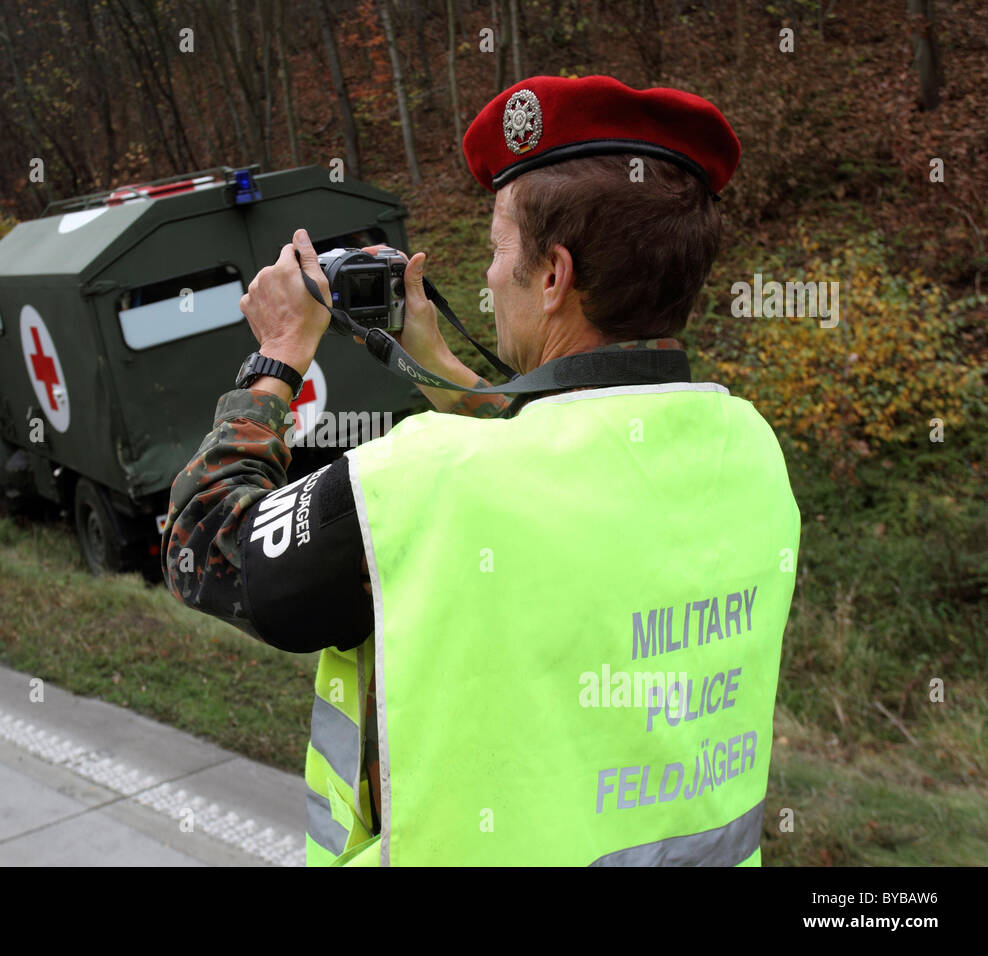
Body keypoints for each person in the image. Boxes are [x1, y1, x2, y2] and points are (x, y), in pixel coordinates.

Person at [161, 75, 801, 866]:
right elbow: (571, 458)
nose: (490, 279)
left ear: (554, 276)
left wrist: (277, 356)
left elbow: (205, 544)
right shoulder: (749, 452)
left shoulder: (431, 479)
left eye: (500, 253)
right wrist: (432, 359)